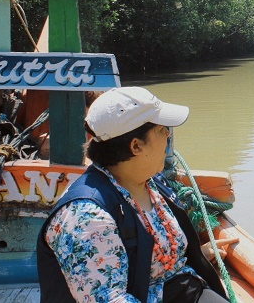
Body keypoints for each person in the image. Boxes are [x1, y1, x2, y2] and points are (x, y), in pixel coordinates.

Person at [36, 87, 236, 302]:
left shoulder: (150, 182)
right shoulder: (87, 217)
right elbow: (110, 298)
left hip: (180, 289)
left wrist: (191, 255)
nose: (168, 134)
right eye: (161, 130)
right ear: (136, 146)